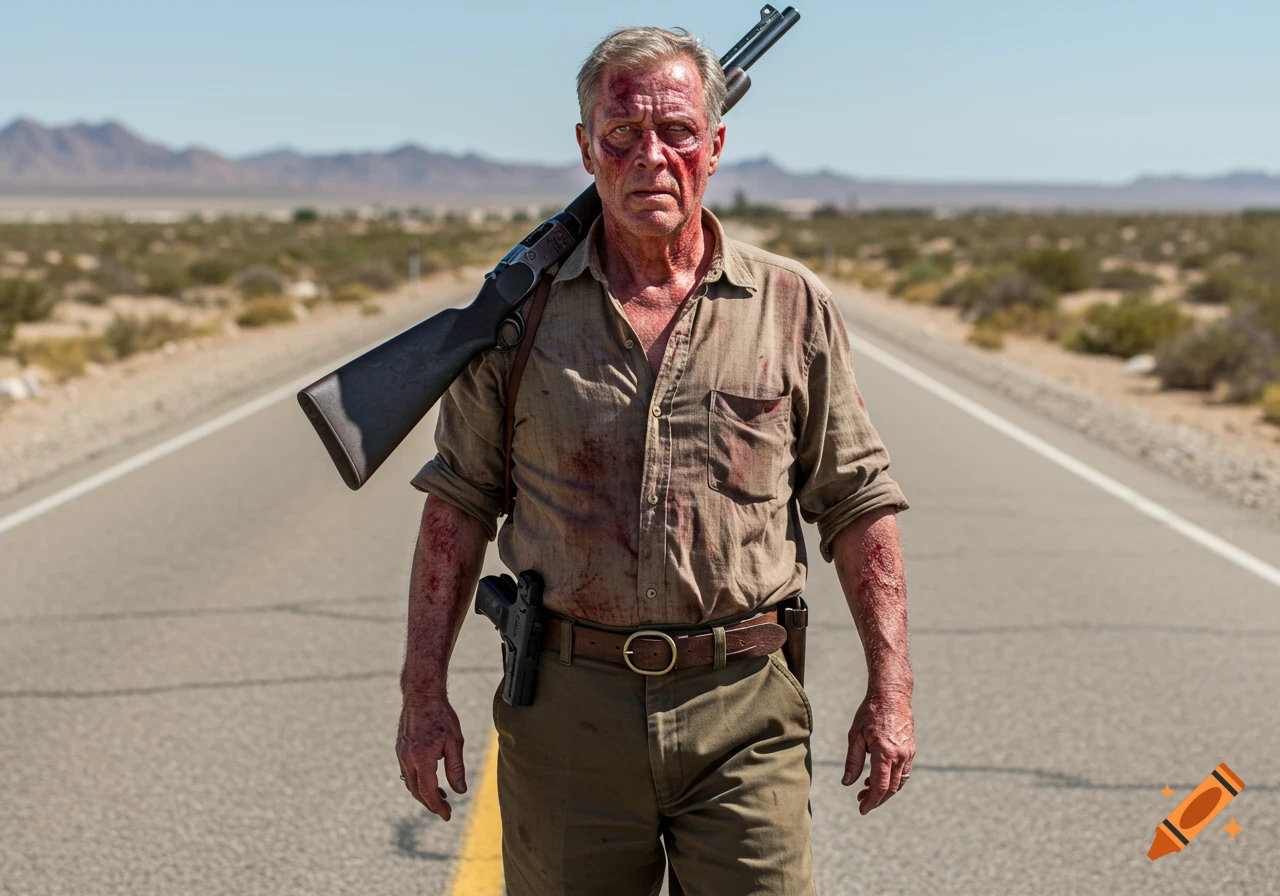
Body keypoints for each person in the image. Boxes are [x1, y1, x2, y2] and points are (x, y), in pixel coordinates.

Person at [396, 25, 915, 896]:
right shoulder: (517, 321)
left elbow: (858, 500)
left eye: (677, 131)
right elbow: (455, 505)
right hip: (566, 713)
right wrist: (422, 696)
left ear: (715, 145)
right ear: (585, 147)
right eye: (623, 133)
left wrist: (890, 690)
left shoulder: (788, 304)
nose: (651, 157)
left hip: (745, 707)